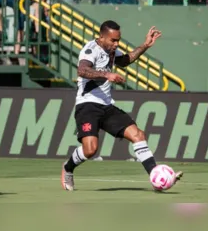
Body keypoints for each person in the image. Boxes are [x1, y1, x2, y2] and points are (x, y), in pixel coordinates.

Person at [61, 20, 183, 191]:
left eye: (118, 40)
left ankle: (156, 176)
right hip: (87, 105)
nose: (116, 44)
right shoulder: (90, 50)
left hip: (107, 106)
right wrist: (107, 75)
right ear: (102, 37)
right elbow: (82, 70)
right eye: (113, 40)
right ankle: (68, 168)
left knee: (138, 135)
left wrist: (145, 45)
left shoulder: (111, 50)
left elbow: (125, 60)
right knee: (90, 150)